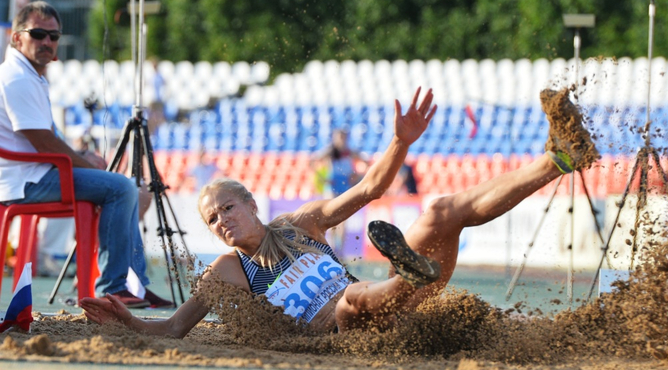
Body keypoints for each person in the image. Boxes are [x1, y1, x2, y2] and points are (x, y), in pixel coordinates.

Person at [79, 87, 597, 336]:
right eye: (212, 220)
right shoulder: (228, 272)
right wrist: (130, 321)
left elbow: (372, 185)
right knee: (348, 299)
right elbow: (173, 329)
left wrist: (399, 142)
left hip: (393, 312)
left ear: (251, 204)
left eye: (228, 208)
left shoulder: (302, 224)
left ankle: (559, 159)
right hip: (340, 333)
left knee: (440, 209)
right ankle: (408, 277)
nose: (222, 222)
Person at [0, 2, 170, 308]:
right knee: (119, 187)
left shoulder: (27, 73)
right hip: (27, 182)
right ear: (16, 37)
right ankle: (114, 287)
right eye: (38, 34)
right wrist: (83, 162)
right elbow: (43, 142)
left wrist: (81, 157)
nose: (47, 42)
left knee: (124, 187)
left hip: (30, 175)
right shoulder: (19, 77)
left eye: (53, 36)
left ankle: (134, 284)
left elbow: (43, 138)